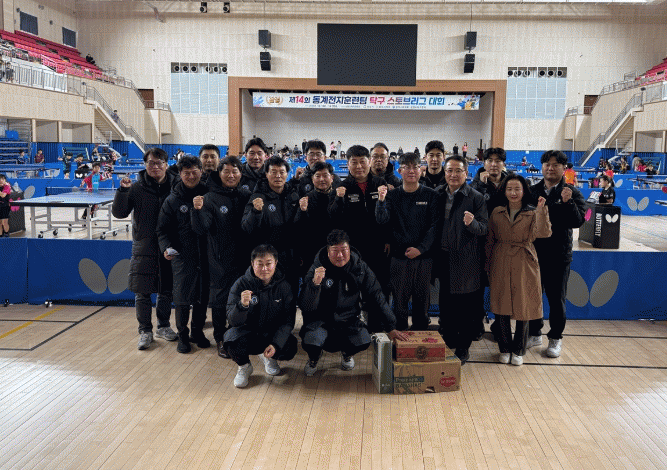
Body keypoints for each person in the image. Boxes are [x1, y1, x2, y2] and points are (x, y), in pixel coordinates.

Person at [300, 230, 408, 376]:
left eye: (343, 250)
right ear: (328, 252)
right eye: (335, 251)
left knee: (364, 339)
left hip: (348, 320)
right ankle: (314, 357)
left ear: (349, 249)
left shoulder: (360, 268)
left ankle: (347, 353)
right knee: (311, 340)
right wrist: (315, 285)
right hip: (321, 321)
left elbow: (376, 295)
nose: (340, 255)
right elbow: (305, 306)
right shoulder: (316, 268)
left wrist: (391, 326)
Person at [112, 148, 178, 350]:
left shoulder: (176, 186)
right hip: (144, 246)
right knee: (142, 292)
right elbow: (120, 213)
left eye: (159, 163)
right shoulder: (136, 188)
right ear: (145, 165)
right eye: (151, 163)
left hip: (168, 246)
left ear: (166, 165)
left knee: (166, 290)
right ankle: (145, 330)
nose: (155, 166)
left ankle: (164, 326)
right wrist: (123, 191)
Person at [486, 174, 551, 366]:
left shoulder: (533, 211)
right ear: (504, 191)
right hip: (500, 258)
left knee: (524, 306)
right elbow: (490, 239)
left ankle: (519, 350)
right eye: (509, 189)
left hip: (525, 259)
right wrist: (487, 264)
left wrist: (541, 211)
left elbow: (544, 233)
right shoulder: (497, 212)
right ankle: (504, 348)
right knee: (501, 305)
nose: (513, 193)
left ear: (524, 191)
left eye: (517, 189)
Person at [527, 150, 586, 358]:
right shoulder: (532, 191)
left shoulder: (571, 192)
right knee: (533, 296)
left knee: (556, 300)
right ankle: (534, 333)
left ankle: (555, 338)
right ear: (542, 167)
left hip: (559, 256)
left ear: (563, 168)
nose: (550, 168)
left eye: (555, 165)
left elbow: (578, 221)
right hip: (534, 254)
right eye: (547, 164)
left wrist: (568, 203)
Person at [191, 156, 251, 358]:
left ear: (241, 174)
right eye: (226, 171)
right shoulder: (209, 198)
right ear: (219, 173)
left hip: (243, 258)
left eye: (235, 171)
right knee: (219, 301)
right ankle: (220, 338)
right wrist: (196, 211)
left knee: (243, 299)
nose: (231, 175)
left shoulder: (245, 195)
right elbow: (201, 228)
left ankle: (239, 335)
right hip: (219, 260)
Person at [434, 155, 488, 364]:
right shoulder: (438, 193)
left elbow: (484, 228)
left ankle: (463, 347)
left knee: (466, 307)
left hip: (467, 260)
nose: (453, 174)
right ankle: (448, 341)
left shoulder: (475, 197)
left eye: (458, 171)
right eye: (449, 170)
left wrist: (472, 223)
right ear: (445, 172)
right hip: (443, 257)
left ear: (466, 173)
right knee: (446, 303)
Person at [375, 153, 439, 331]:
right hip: (399, 257)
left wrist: (421, 249)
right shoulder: (392, 195)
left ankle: (420, 334)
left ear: (421, 170)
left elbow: (435, 226)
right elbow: (382, 221)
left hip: (424, 258)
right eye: (407, 167)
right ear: (399, 170)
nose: (411, 171)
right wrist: (380, 201)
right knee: (399, 301)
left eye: (415, 167)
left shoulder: (431, 195)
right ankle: (400, 336)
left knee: (422, 301)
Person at [224, 244, 298, 388]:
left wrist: (275, 344)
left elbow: (288, 321)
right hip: (249, 333)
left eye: (268, 264)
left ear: (276, 263)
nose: (264, 269)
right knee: (230, 340)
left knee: (290, 346)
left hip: (271, 333)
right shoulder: (240, 284)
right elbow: (232, 321)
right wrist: (242, 306)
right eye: (260, 264)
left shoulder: (284, 286)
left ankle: (269, 357)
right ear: (253, 264)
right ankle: (244, 366)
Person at [156, 156, 210, 354]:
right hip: (182, 256)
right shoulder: (172, 199)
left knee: (202, 297)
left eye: (195, 171)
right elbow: (162, 229)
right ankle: (183, 335)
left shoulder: (208, 194)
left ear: (201, 172)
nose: (191, 176)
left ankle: (197, 332)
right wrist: (166, 247)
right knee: (182, 298)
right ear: (180, 174)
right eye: (186, 173)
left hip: (205, 255)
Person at [329, 145, 390, 298]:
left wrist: (387, 239)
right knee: (354, 287)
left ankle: (379, 314)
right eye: (354, 162)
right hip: (354, 247)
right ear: (347, 164)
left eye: (362, 162)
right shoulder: (340, 187)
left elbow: (388, 216)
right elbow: (334, 218)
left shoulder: (380, 184)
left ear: (369, 162)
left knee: (379, 285)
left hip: (378, 246)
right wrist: (339, 199)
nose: (359, 167)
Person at [242, 156, 300, 301]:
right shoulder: (258, 197)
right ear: (266, 174)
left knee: (290, 297)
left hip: (291, 258)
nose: (278, 176)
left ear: (287, 174)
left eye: (282, 172)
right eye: (273, 172)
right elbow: (246, 228)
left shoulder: (293, 195)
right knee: (268, 298)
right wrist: (255, 212)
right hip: (268, 259)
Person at [470, 147, 509, 339]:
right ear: (484, 163)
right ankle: (477, 324)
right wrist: (481, 186)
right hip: (479, 243)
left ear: (503, 164)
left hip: (503, 243)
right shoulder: (474, 185)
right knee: (477, 288)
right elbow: (471, 208)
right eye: (490, 160)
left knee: (501, 288)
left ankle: (500, 326)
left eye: (498, 161)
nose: (494, 164)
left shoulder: (511, 183)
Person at [294, 161, 337, 279]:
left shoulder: (339, 197)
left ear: (332, 178)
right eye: (318, 176)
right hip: (311, 253)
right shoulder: (305, 199)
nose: (322, 179)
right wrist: (302, 211)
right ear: (312, 179)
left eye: (325, 175)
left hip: (335, 250)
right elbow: (298, 228)